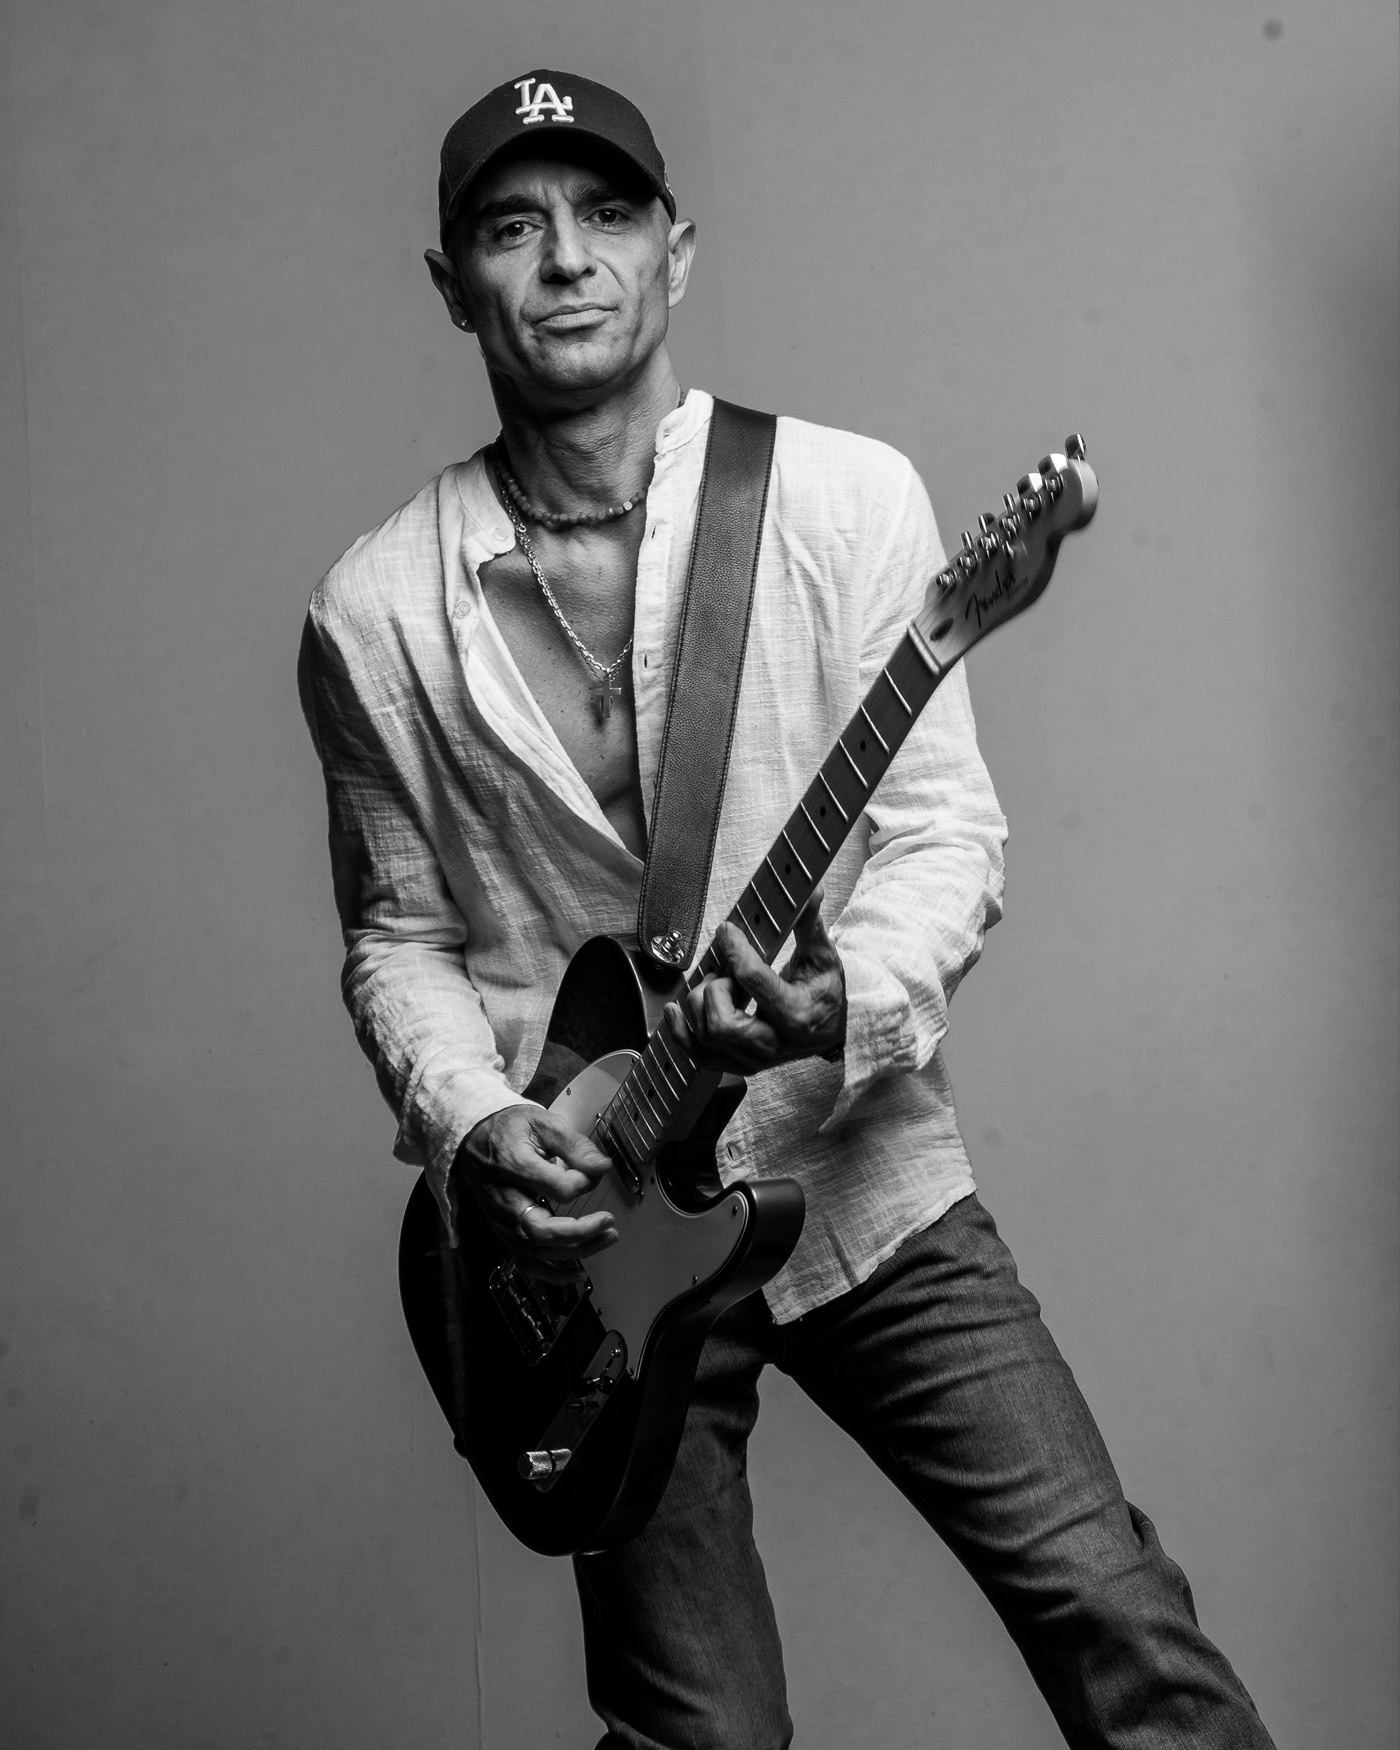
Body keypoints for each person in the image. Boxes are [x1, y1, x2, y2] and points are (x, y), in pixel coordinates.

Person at [298, 69, 1275, 1750]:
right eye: (514, 228)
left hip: (856, 1173)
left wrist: (847, 999)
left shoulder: (840, 500)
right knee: (702, 1737)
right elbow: (400, 933)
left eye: (608, 215)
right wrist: (472, 1125)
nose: (568, 260)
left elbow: (942, 830)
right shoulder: (374, 610)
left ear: (677, 251)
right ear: (452, 284)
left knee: (1121, 1623)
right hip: (599, 1248)